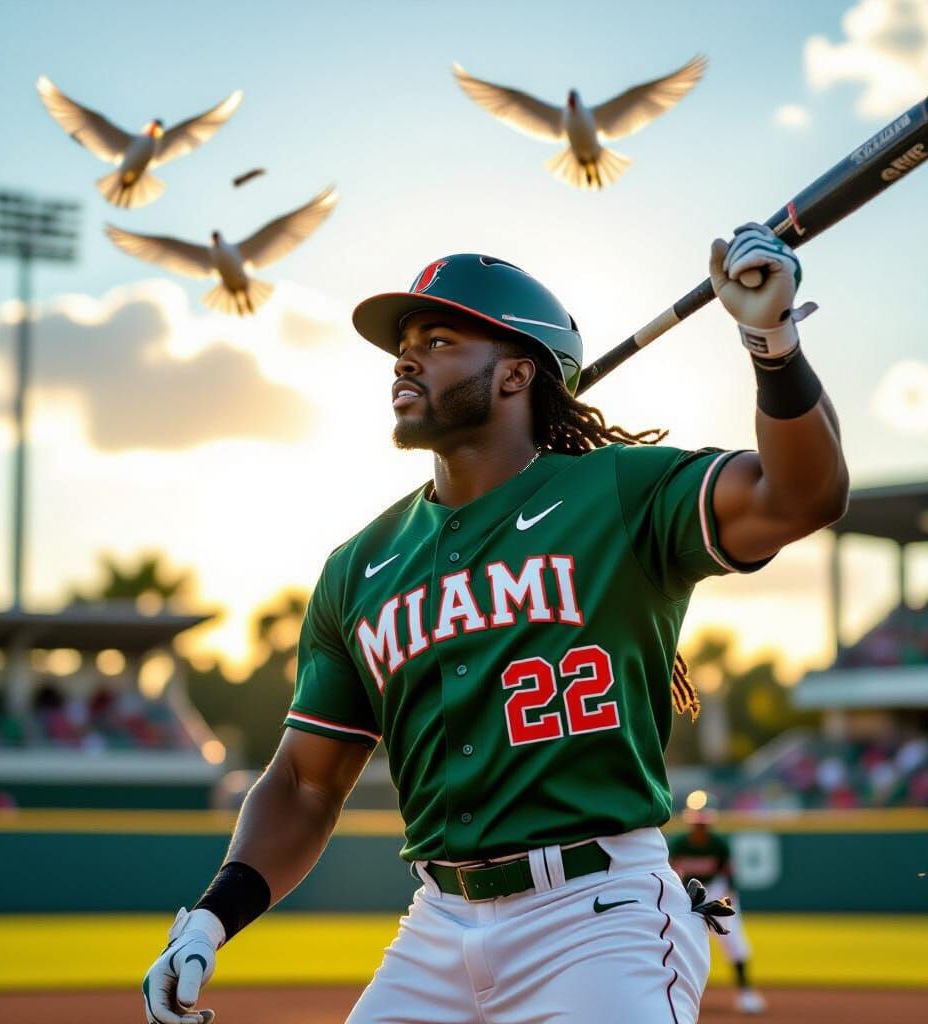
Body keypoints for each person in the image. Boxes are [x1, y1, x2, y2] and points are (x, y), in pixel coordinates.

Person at [142, 226, 848, 1024]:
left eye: (437, 341)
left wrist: (772, 343)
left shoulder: (617, 492)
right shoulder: (358, 566)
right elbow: (306, 783)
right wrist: (212, 912)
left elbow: (801, 497)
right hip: (437, 926)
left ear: (516, 372)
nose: (405, 360)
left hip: (600, 917)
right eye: (402, 346)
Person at [669, 808, 766, 1015]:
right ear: (691, 825)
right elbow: (670, 871)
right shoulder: (679, 844)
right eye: (697, 825)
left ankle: (746, 994)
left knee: (733, 941)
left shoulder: (718, 844)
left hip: (715, 891)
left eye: (703, 825)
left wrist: (729, 903)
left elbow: (729, 876)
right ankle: (676, 997)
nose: (701, 828)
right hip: (688, 894)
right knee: (679, 943)